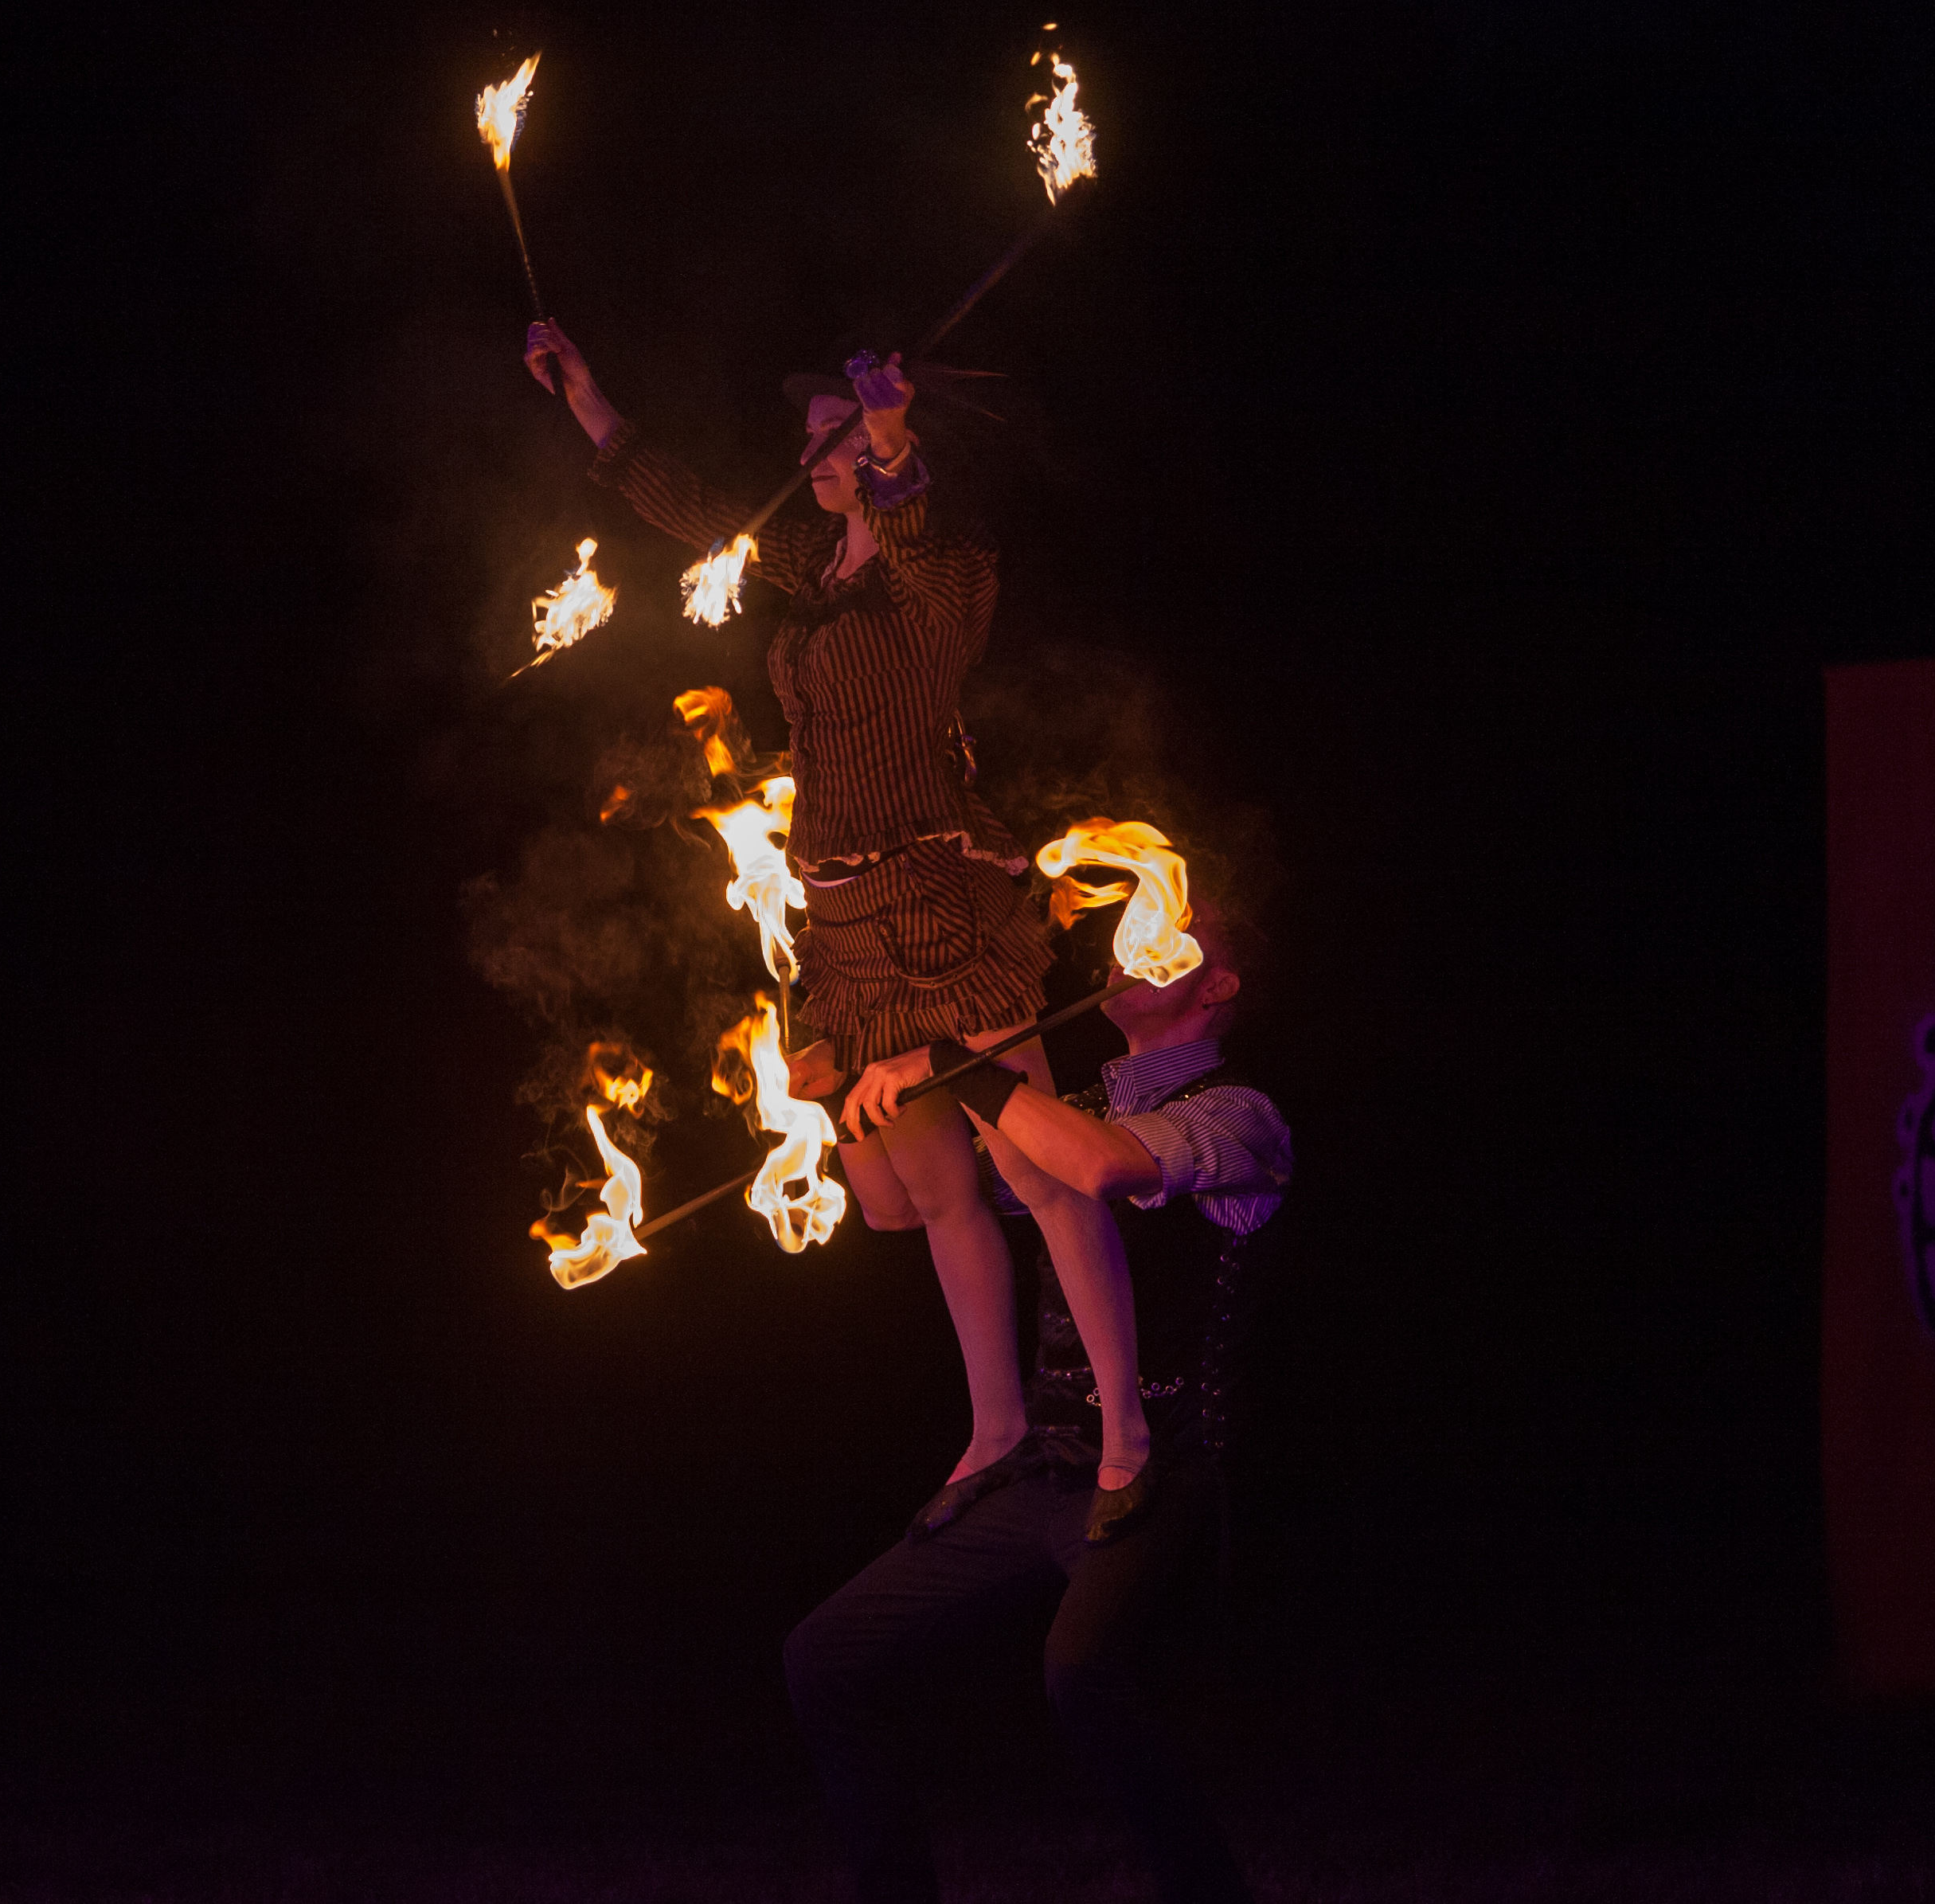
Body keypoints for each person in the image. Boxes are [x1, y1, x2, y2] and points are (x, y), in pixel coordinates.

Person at [525, 319, 1153, 1514]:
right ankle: (996, 1427)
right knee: (935, 1196)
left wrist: (891, 442)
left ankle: (1125, 1424)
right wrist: (588, 399)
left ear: (888, 444)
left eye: (833, 435)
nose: (808, 453)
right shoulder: (808, 568)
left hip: (939, 897)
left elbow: (910, 523)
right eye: (811, 437)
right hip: (846, 920)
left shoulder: (946, 570)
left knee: (1040, 1171)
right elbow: (696, 505)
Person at [787, 895, 1292, 1904]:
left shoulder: (1241, 1115)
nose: (1125, 945)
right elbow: (902, 1207)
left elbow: (1098, 1168)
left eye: (1169, 929)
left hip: (1165, 1469)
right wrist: (838, 1096)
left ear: (1218, 984)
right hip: (1049, 1469)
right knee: (825, 1656)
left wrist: (961, 1064)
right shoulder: (1069, 1108)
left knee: (1083, 1676)